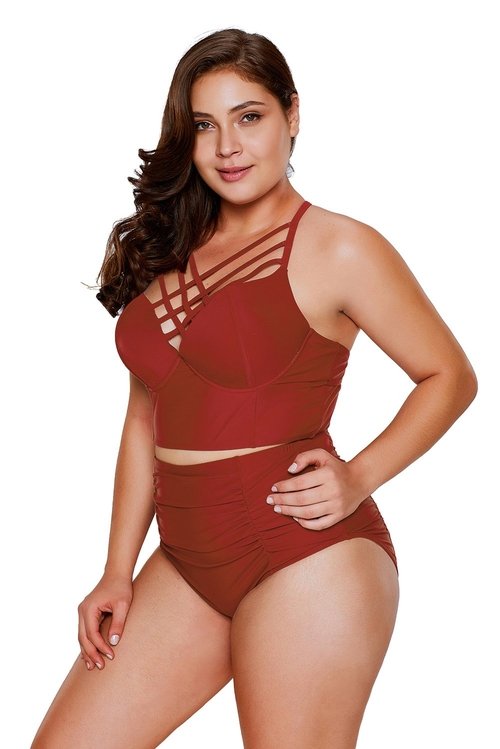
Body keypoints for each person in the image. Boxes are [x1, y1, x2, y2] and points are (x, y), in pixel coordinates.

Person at [31, 27, 477, 749]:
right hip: (186, 556)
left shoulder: (339, 246)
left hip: (305, 550)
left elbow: (449, 375)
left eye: (250, 117)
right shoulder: (168, 248)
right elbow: (144, 419)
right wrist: (116, 570)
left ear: (291, 115)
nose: (228, 147)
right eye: (205, 125)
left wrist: (358, 475)